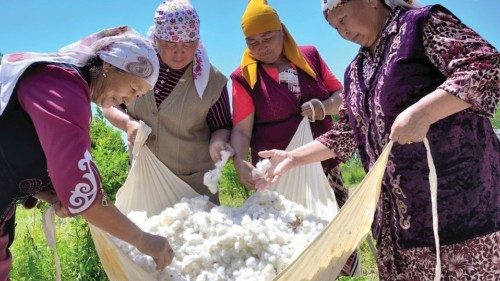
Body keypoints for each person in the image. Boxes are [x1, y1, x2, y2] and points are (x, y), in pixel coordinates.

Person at [258, 0, 500, 279]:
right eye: (335, 27)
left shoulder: (420, 26)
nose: (343, 32)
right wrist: (293, 158)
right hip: (398, 227)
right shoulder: (356, 71)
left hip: (459, 215)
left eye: (344, 19)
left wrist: (424, 113)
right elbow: (346, 133)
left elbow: (485, 66)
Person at [0, 26, 176, 279]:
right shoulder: (61, 89)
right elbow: (85, 194)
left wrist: (50, 194)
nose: (130, 100)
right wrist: (145, 240)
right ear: (111, 66)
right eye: (134, 88)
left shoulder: (64, 87)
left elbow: (14, 150)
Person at [230, 0, 359, 276]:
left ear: (282, 31)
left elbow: (342, 97)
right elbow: (241, 130)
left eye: (268, 37)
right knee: (289, 250)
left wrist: (323, 107)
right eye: (252, 42)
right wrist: (239, 161)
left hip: (323, 167)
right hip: (277, 176)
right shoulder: (244, 78)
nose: (262, 47)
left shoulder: (309, 57)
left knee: (334, 241)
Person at [103, 0, 232, 205]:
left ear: (197, 42)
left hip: (194, 189)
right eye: (170, 44)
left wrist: (218, 143)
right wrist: (127, 124)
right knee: (146, 235)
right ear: (156, 38)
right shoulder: (133, 67)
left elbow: (222, 126)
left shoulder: (211, 81)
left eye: (188, 44)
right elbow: (108, 104)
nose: (179, 52)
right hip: (145, 182)